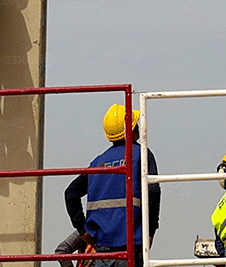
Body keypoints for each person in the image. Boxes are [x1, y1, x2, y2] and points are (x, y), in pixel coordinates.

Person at [65, 104, 161, 267]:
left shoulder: (97, 163)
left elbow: (71, 193)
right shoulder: (141, 154)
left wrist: (83, 230)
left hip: (102, 254)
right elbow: (153, 193)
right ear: (131, 130)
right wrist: (150, 231)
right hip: (131, 252)